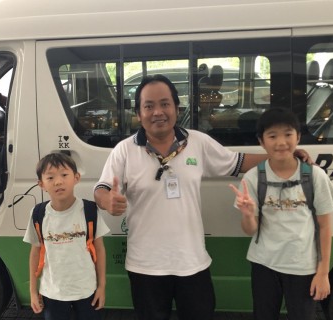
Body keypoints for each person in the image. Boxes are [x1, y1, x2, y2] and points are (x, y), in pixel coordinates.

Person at [93, 74, 312, 320]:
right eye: (149, 106)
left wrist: (283, 157)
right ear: (138, 112)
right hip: (145, 266)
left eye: (165, 104)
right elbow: (101, 189)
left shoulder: (196, 142)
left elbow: (238, 163)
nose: (158, 112)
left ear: (177, 108)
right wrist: (107, 200)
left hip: (192, 262)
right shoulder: (125, 150)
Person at [229, 108, 333, 320]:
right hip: (263, 264)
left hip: (302, 266)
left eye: (288, 134)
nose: (281, 142)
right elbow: (250, 230)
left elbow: (325, 226)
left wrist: (323, 272)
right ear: (261, 142)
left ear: (298, 137)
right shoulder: (253, 177)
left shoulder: (315, 176)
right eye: (272, 136)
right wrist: (248, 215)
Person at [24, 152, 110, 320]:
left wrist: (102, 286)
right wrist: (33, 292)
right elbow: (35, 253)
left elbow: (99, 250)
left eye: (64, 175)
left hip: (87, 290)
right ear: (41, 184)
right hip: (52, 292)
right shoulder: (38, 214)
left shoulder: (89, 210)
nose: (58, 181)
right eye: (50, 178)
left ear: (76, 178)